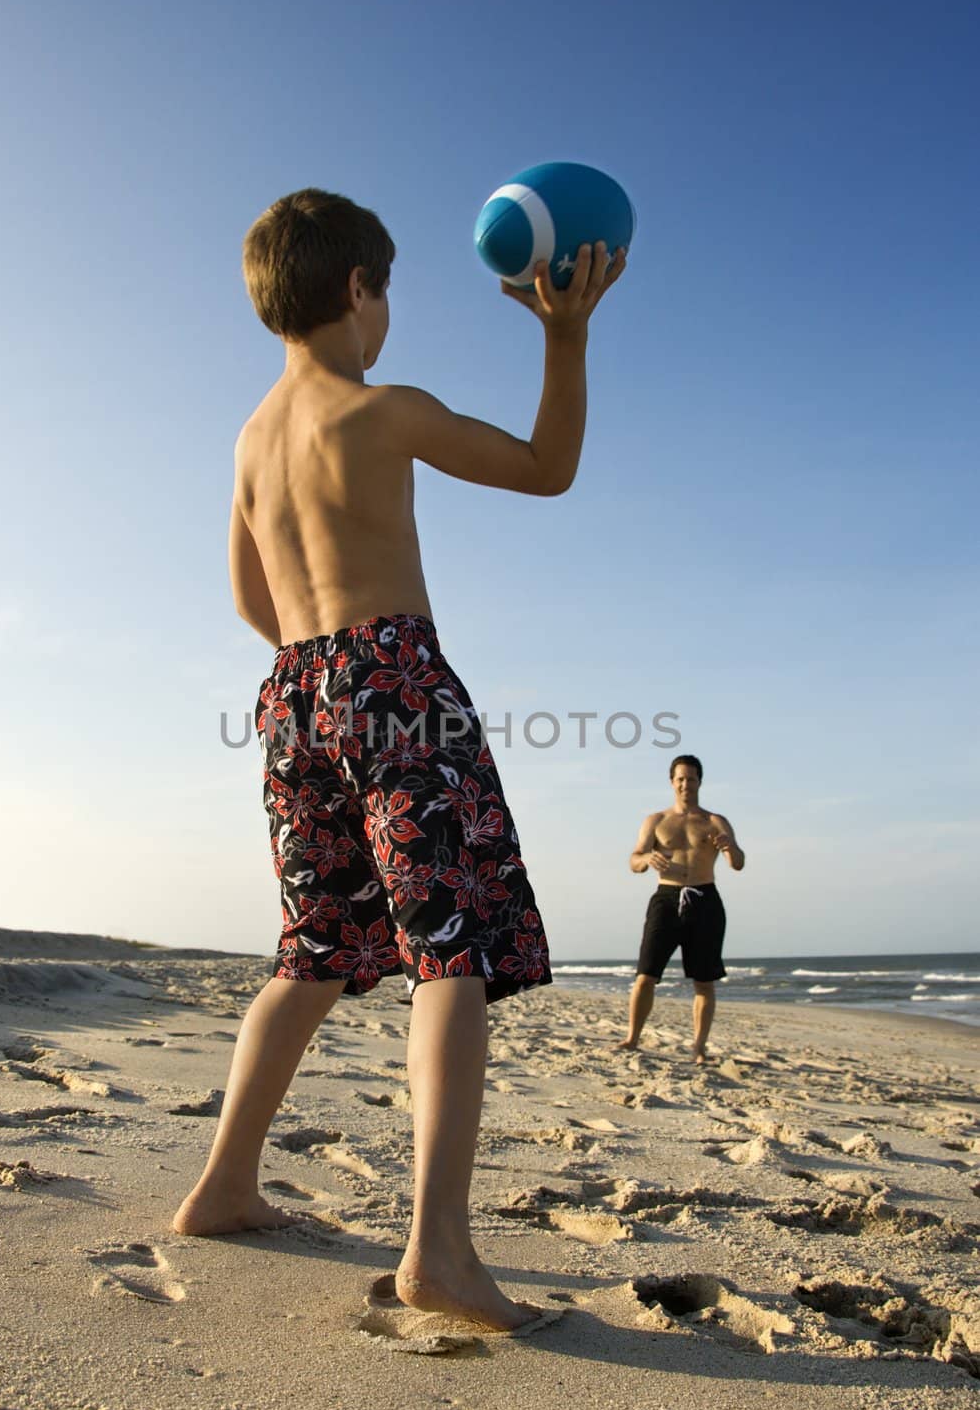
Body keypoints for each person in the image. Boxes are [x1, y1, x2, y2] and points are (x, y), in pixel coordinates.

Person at [172, 188, 627, 1329]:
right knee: (450, 948)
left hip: (292, 691)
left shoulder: (250, 436)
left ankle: (224, 1185)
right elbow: (544, 466)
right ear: (359, 291)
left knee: (313, 947)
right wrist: (563, 336)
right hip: (393, 681)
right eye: (388, 296)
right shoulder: (379, 411)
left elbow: (245, 593)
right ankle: (438, 1254)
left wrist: (316, 671)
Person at [622, 754, 744, 1062]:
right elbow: (634, 860)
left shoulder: (715, 821)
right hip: (667, 897)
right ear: (671, 782)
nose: (685, 784)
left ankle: (699, 1047)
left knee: (704, 980)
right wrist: (647, 859)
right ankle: (632, 1038)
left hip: (705, 898)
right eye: (680, 779)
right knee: (646, 974)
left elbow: (738, 863)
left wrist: (730, 846)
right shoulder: (657, 821)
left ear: (700, 781)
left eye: (691, 778)